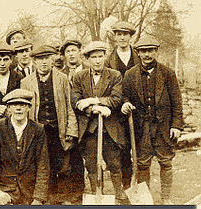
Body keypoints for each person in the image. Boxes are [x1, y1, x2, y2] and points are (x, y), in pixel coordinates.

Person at [121, 36, 183, 205]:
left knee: (166, 162)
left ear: (156, 51)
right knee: (142, 164)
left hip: (163, 127)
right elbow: (124, 96)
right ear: (138, 53)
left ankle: (166, 198)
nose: (147, 54)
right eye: (143, 51)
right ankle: (145, 200)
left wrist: (176, 125)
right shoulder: (130, 74)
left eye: (150, 50)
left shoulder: (168, 73)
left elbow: (177, 101)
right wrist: (125, 103)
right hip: (142, 129)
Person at [20, 45, 83, 205]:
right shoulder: (26, 82)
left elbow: (69, 106)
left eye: (47, 58)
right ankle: (48, 198)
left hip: (59, 131)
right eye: (40, 59)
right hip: (39, 133)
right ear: (34, 61)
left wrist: (71, 129)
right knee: (43, 167)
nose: (43, 63)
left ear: (52, 59)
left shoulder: (62, 78)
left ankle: (63, 199)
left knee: (63, 167)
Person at [70, 41, 127, 205]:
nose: (97, 61)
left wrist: (92, 100)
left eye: (100, 56)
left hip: (110, 129)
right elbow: (76, 102)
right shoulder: (79, 77)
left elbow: (116, 99)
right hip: (89, 130)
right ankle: (97, 193)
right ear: (87, 59)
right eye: (93, 57)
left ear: (105, 57)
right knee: (92, 165)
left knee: (114, 163)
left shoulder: (115, 75)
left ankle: (119, 194)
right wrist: (95, 109)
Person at [0, 89, 50, 205]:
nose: (18, 109)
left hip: (28, 191)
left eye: (23, 105)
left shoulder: (38, 129)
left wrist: (38, 198)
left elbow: (43, 166)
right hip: (2, 188)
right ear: (8, 108)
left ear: (29, 108)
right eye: (14, 105)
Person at [105, 21, 140, 194]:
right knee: (124, 150)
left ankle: (141, 184)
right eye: (119, 34)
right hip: (118, 113)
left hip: (139, 111)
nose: (122, 37)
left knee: (141, 150)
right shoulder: (107, 60)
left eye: (125, 34)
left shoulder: (139, 56)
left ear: (130, 37)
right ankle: (127, 188)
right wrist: (121, 104)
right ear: (115, 37)